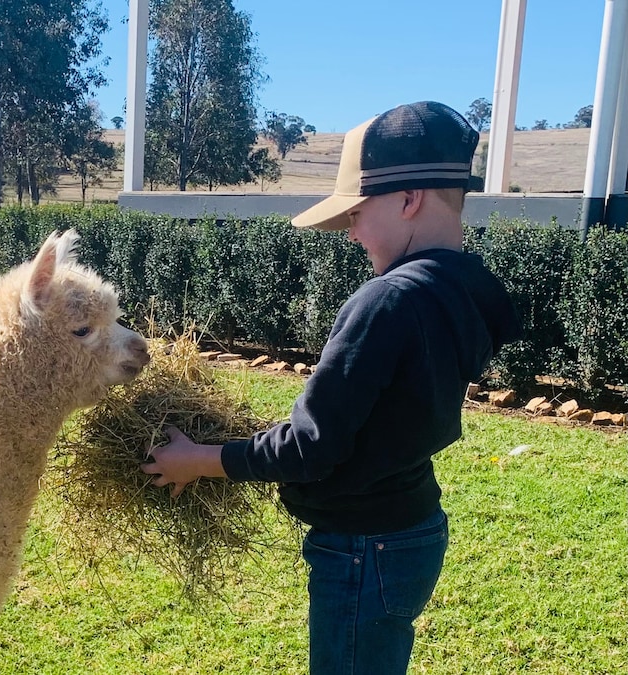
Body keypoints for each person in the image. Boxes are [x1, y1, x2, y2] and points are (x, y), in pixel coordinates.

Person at [142, 101, 522, 674]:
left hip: (363, 548)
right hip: (413, 527)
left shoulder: (388, 301)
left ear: (408, 199)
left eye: (355, 215)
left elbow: (311, 448)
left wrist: (199, 459)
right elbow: (373, 422)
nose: (350, 235)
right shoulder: (464, 293)